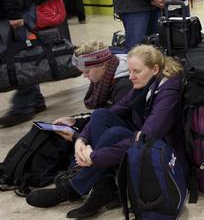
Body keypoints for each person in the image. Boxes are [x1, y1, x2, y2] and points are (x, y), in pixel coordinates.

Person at [26, 44, 185, 219]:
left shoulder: (168, 89)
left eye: (136, 71)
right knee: (101, 115)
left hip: (162, 147)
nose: (131, 77)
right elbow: (113, 112)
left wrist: (94, 157)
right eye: (130, 71)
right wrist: (82, 139)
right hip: (142, 136)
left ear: (155, 69)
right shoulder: (144, 81)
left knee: (113, 134)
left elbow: (147, 137)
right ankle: (105, 185)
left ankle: (73, 189)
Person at [0, 0, 46, 128]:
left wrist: (13, 13)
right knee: (25, 54)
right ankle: (34, 100)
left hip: (14, 12)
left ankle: (22, 107)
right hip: (16, 10)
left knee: (18, 56)